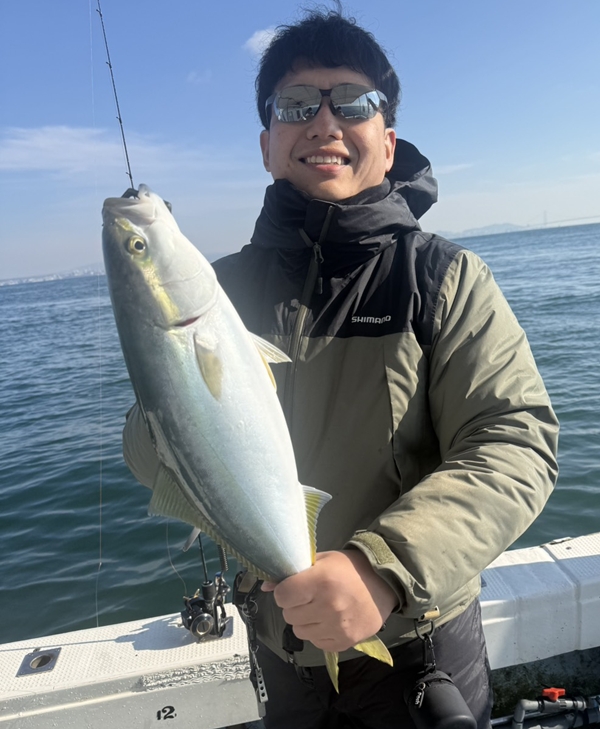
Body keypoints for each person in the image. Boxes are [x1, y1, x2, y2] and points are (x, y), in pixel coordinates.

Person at [123, 10, 559, 729]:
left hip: (417, 647)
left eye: (353, 102)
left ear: (387, 143)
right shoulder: (218, 293)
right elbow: (147, 456)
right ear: (267, 145)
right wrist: (163, 384)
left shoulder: (443, 279)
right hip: (280, 643)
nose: (324, 122)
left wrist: (382, 568)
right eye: (296, 106)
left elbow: (516, 443)